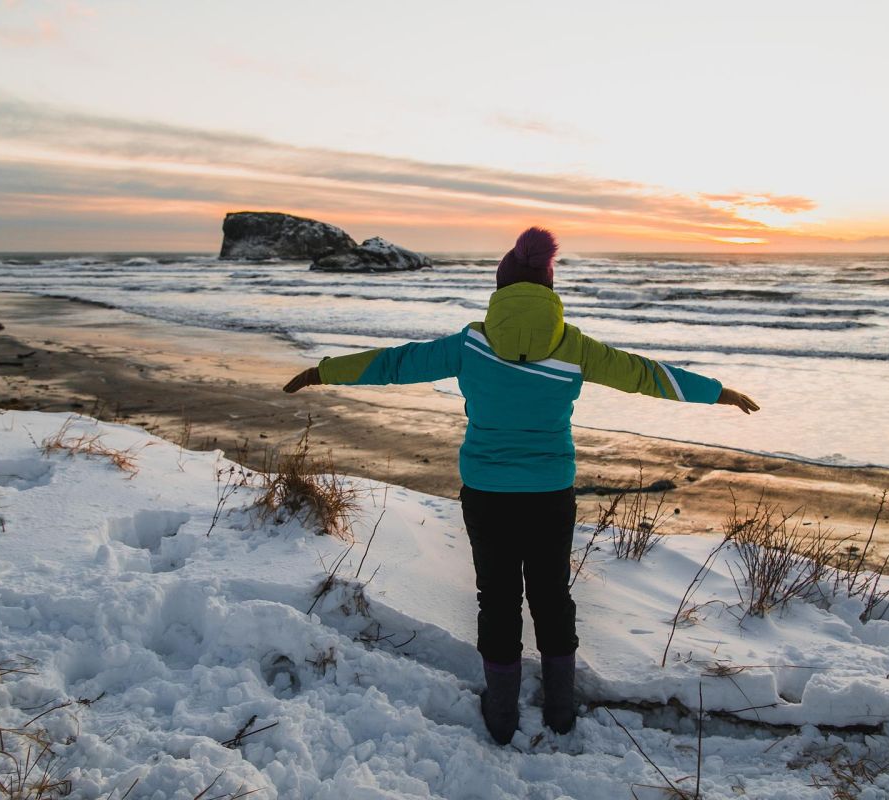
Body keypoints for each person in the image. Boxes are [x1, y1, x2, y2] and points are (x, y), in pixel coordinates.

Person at [282, 227, 759, 744]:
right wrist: (716, 392)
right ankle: (559, 711)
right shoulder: (572, 346)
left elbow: (397, 363)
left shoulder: (471, 344)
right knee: (553, 597)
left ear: (502, 289)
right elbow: (644, 374)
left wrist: (324, 370)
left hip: (487, 493)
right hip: (551, 493)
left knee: (498, 599)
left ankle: (503, 714)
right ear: (548, 291)